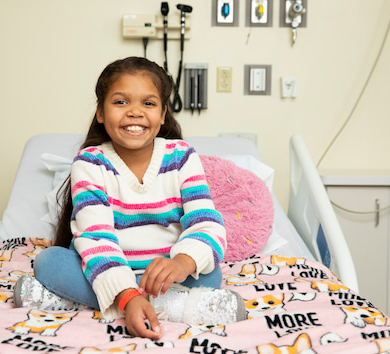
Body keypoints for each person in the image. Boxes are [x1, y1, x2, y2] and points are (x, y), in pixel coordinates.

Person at [14, 56, 245, 340]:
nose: (134, 112)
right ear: (100, 112)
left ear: (162, 115)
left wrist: (182, 262)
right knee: (50, 261)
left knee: (210, 272)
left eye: (148, 103)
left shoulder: (182, 156)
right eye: (121, 102)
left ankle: (73, 301)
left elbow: (207, 224)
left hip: (164, 276)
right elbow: (95, 238)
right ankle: (164, 307)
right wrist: (127, 295)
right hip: (107, 269)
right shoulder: (90, 164)